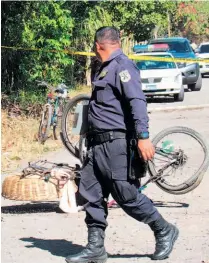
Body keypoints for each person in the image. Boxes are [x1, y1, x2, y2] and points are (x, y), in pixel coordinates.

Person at [65, 26, 179, 263]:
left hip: (116, 144)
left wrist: (143, 136)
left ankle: (164, 229)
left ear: (98, 45)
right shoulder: (103, 68)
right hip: (96, 146)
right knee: (91, 194)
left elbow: (137, 101)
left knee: (126, 194)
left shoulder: (122, 66)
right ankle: (95, 248)